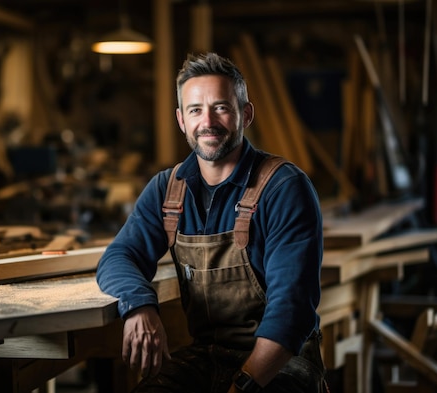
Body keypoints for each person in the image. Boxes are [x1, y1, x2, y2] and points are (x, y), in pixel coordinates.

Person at [96, 52, 325, 393]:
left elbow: (292, 311)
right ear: (181, 121)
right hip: (209, 355)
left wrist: (242, 385)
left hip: (282, 361)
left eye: (221, 107)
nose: (208, 121)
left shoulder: (284, 187)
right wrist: (139, 306)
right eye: (195, 110)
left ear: (245, 114)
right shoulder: (167, 189)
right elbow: (118, 257)